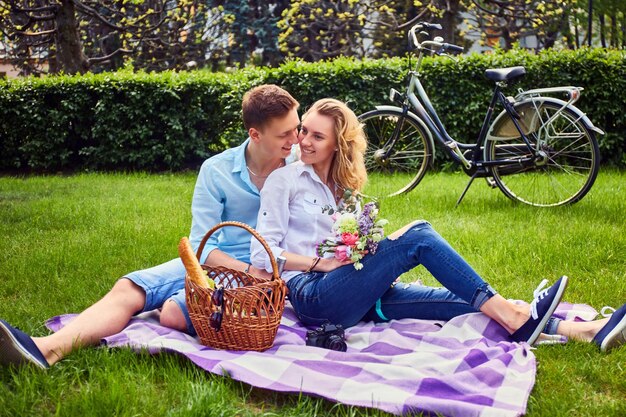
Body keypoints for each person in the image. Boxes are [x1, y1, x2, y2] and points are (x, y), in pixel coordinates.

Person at [250, 98, 626, 351]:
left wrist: (367, 260)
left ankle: (580, 330)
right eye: (304, 132)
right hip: (314, 297)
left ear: (337, 145)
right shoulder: (285, 180)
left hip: (355, 291)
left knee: (458, 301)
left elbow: (344, 247)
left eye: (317, 136)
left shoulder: (344, 189)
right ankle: (516, 317)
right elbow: (262, 253)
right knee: (418, 235)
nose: (304, 141)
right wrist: (324, 264)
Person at [0, 84, 301, 369]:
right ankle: (46, 349)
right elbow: (202, 245)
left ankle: (174, 306)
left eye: (296, 128)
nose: (296, 139)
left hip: (262, 274)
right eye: (284, 134)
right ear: (255, 134)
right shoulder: (217, 170)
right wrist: (240, 269)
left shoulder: (300, 165)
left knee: (173, 313)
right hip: (217, 262)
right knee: (129, 287)